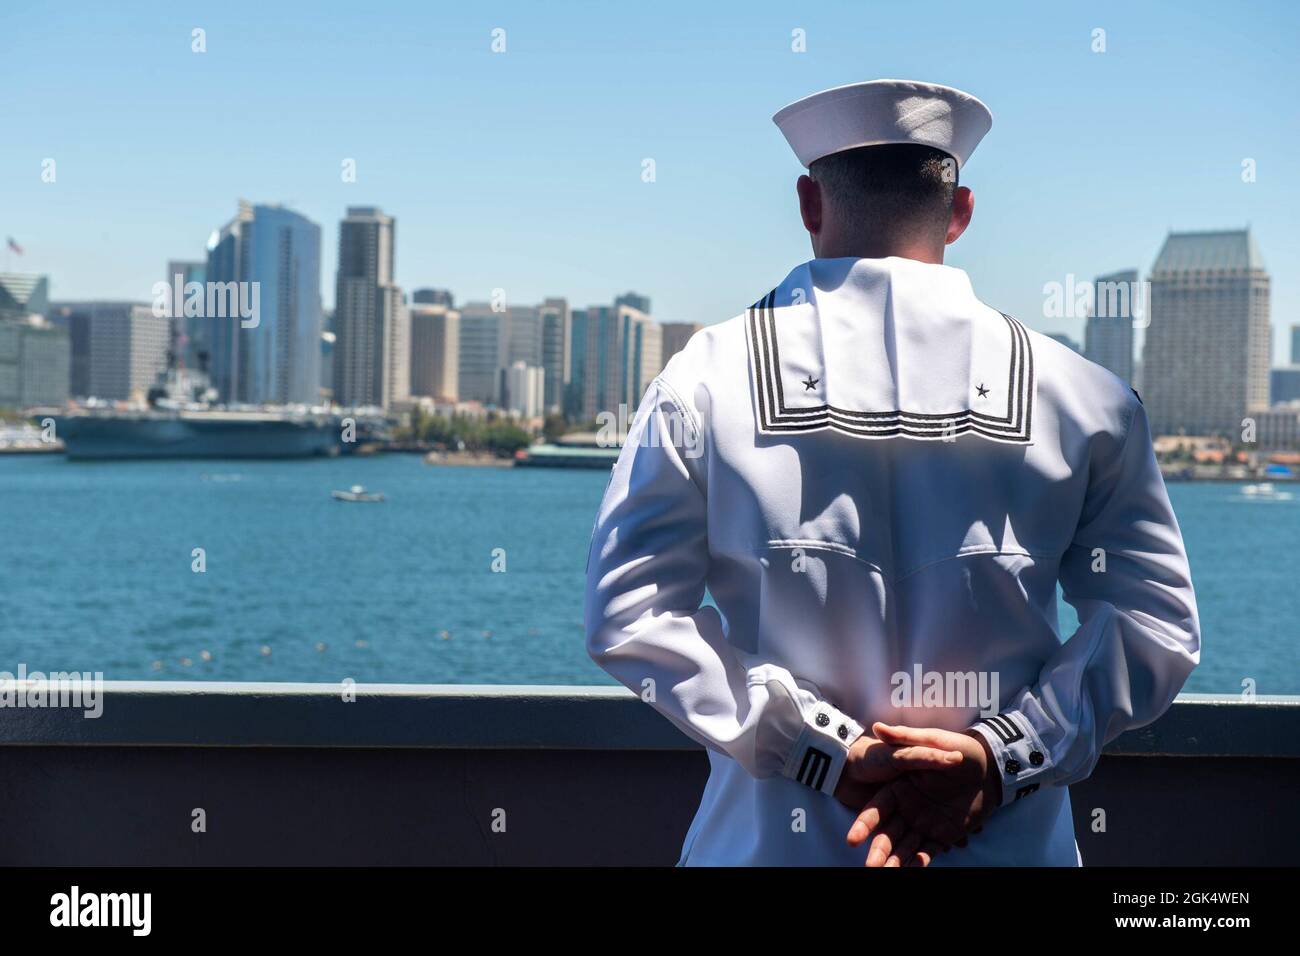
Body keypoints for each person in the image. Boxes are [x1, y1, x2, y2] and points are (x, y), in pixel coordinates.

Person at [583, 79, 1200, 866]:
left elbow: (627, 615)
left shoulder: (703, 379)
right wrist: (997, 758)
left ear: (809, 202)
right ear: (962, 210)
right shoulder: (1087, 397)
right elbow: (1156, 624)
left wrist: (828, 752)